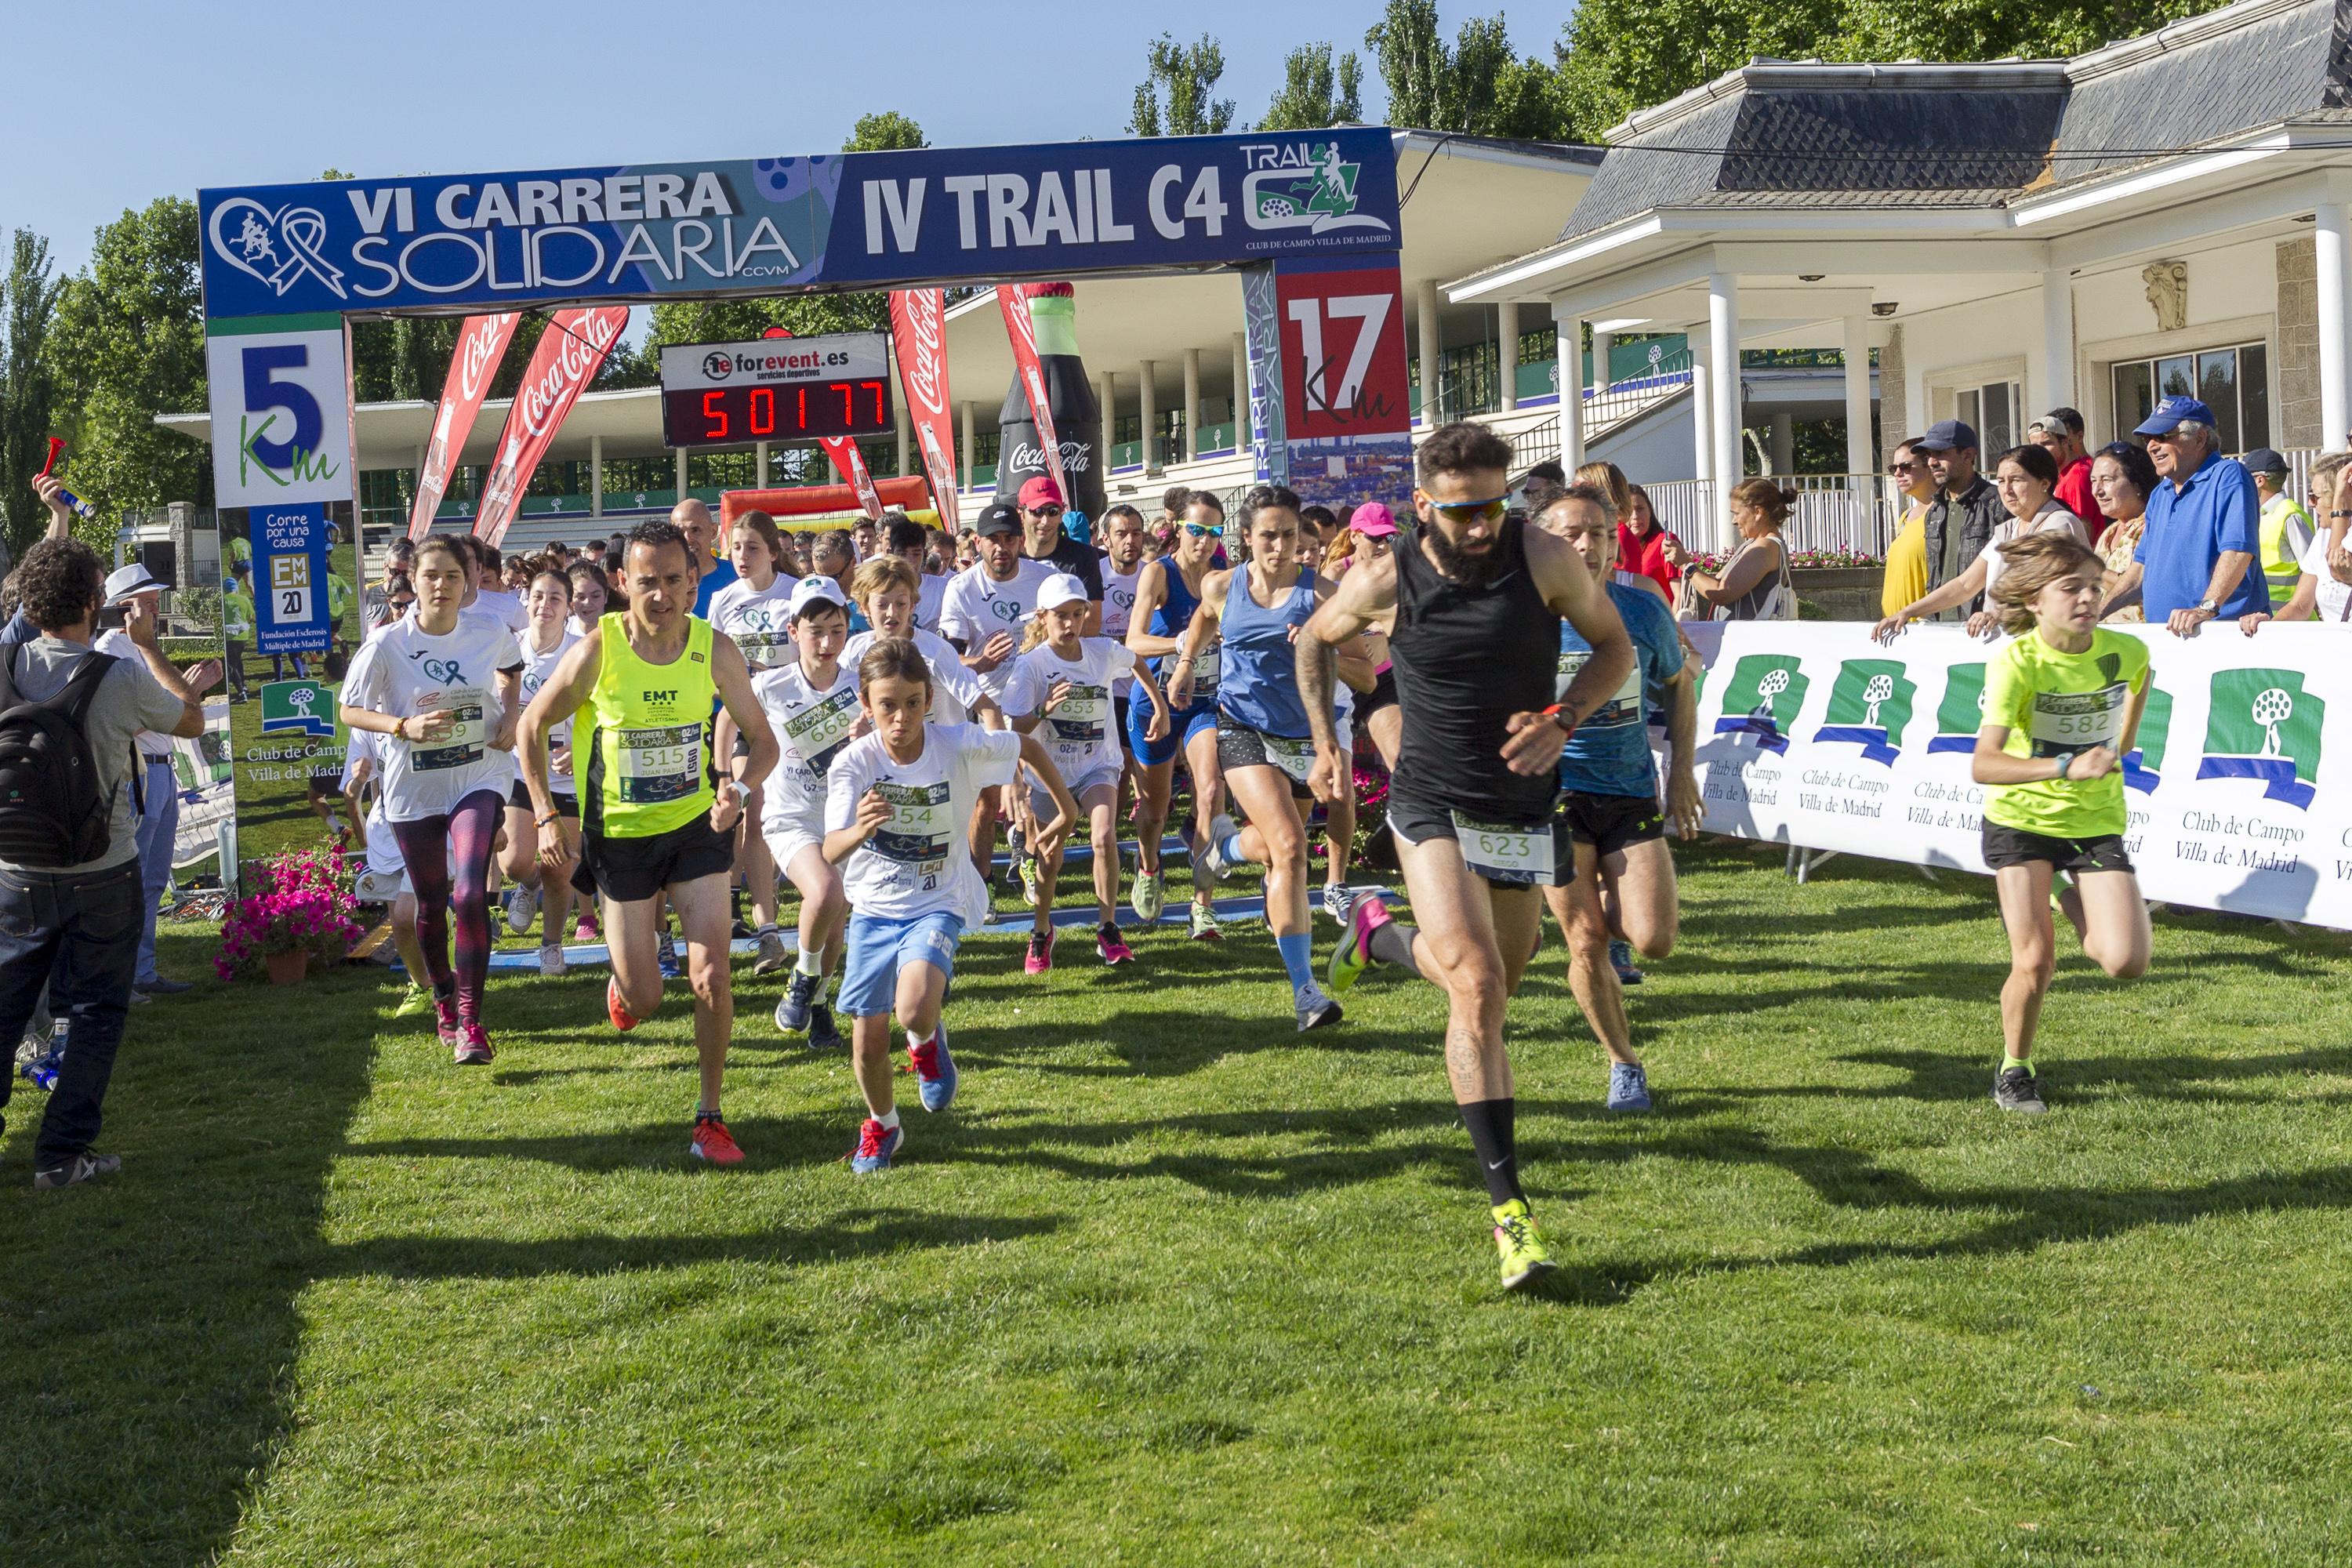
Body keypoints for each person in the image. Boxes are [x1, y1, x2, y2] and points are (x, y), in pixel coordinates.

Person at [1298, 420, 1635, 1291]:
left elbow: (1614, 647)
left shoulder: (1546, 558)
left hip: (1519, 801)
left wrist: (1563, 719)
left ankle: (1379, 936)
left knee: (1492, 982)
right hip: (1430, 799)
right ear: (1421, 505)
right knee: (1479, 983)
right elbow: (1312, 640)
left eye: (1492, 505)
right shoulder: (1384, 576)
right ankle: (1511, 1215)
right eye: (1460, 512)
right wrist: (1335, 733)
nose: (1480, 525)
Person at [520, 519, 779, 1166]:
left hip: (696, 831)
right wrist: (549, 817)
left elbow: (764, 741)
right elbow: (530, 726)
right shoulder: (596, 652)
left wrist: (736, 791)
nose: (660, 595)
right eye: (646, 582)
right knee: (646, 996)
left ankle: (710, 1116)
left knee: (713, 974)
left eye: (673, 580)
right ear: (620, 583)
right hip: (621, 841)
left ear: (694, 581)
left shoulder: (715, 650)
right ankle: (625, 988)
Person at [0, 538, 208, 1189]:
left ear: (30, 602)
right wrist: (146, 644)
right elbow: (193, 721)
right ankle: (61, 1156)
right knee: (94, 1013)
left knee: (5, 1010)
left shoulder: (4, 662)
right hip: (102, 871)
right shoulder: (115, 676)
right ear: (96, 604)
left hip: (15, 872)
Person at [825, 638, 1075, 1172]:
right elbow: (830, 848)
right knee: (867, 1045)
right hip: (872, 907)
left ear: (930, 699)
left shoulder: (957, 744)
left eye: (913, 703)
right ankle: (884, 1124)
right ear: (866, 706)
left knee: (912, 1006)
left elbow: (1025, 748)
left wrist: (1069, 807)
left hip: (939, 899)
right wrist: (860, 827)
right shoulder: (853, 763)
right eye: (888, 705)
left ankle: (924, 1036)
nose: (901, 717)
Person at [1513, 485, 1697, 1110]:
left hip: (1627, 789)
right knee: (1586, 940)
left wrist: (1679, 773)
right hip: (1552, 794)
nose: (1585, 545)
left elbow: (1679, 687)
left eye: (1597, 533)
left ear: (1615, 543)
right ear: (1542, 541)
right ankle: (1624, 1063)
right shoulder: (1524, 616)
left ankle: (1593, 903)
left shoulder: (1640, 612)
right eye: (1570, 533)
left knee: (1654, 940)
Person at [1174, 483, 1370, 1032]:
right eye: (1268, 536)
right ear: (1245, 538)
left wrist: (1320, 642)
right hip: (1243, 728)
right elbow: (1206, 618)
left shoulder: (1325, 595)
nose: (1279, 547)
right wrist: (1187, 663)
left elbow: (1363, 671)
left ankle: (1223, 849)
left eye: (1288, 536)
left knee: (1274, 848)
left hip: (1306, 736)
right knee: (1290, 848)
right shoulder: (1222, 584)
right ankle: (1305, 992)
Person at [1971, 532, 2153, 1114]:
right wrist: (2065, 765)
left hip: (2093, 821)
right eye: (2070, 588)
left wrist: (2107, 759)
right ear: (2035, 601)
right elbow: (1985, 764)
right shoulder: (2016, 664)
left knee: (2125, 961)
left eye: (2095, 587)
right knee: (2036, 961)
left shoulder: (2129, 654)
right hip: (2020, 822)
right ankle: (2015, 1069)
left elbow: (2126, 728)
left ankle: (2061, 895)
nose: (2087, 599)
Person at [337, 534, 524, 1065]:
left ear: (469, 585)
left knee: (469, 894)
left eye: (453, 577)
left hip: (478, 775)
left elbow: (511, 670)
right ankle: (442, 995)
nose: (442, 586)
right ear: (413, 582)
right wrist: (402, 725)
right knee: (431, 903)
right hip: (413, 789)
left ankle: (471, 1021)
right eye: (431, 576)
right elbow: (350, 710)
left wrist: (510, 713)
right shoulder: (385, 644)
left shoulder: (489, 628)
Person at [1004, 574, 1171, 968]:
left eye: (1078, 614)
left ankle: (1109, 929)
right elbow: (1016, 729)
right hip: (1050, 772)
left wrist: (1159, 705)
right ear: (1043, 617)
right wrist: (1045, 708)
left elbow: (1137, 662)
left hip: (1099, 764)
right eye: (1061, 615)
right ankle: (1042, 931)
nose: (1070, 624)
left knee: (1104, 836)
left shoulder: (1102, 651)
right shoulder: (1031, 666)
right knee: (1049, 855)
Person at [93, 564, 222, 999]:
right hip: (139, 770)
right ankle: (122, 976)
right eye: (147, 603)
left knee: (151, 878)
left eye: (154, 601)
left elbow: (174, 713)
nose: (156, 610)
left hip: (161, 768)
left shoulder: (141, 649)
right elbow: (141, 716)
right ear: (123, 609)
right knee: (130, 877)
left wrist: (192, 689)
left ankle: (141, 970)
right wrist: (184, 696)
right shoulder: (112, 649)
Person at [753, 575, 860, 1051]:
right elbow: (729, 724)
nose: (827, 642)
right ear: (793, 631)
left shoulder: (863, 685)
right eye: (815, 630)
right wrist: (731, 778)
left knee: (835, 916)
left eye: (836, 630)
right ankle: (802, 977)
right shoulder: (769, 686)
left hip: (845, 821)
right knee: (825, 890)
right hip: (790, 816)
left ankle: (818, 1006)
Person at [1123, 491, 1231, 939]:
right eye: (1197, 530)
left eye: (1214, 532)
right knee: (1155, 809)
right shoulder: (1157, 573)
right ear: (1178, 530)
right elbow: (1132, 642)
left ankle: (1201, 904)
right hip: (1155, 702)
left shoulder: (1223, 580)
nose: (1204, 541)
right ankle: (1149, 866)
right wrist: (1185, 643)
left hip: (1204, 701)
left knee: (1210, 792)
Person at [708, 510, 801, 972]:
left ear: (774, 550)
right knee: (754, 812)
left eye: (752, 547)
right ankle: (768, 933)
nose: (742, 557)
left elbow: (817, 658)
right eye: (736, 547)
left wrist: (774, 677)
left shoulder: (796, 594)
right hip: (750, 725)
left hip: (801, 723)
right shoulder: (724, 600)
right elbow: (714, 671)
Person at [938, 502, 1054, 875]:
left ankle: (1030, 862)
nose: (1001, 547)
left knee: (1038, 793)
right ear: (976, 544)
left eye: (1009, 539)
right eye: (993, 540)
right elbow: (948, 660)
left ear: (1021, 541)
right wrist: (983, 662)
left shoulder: (1044, 579)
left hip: (1039, 700)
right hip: (987, 704)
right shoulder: (961, 588)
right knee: (986, 802)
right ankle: (981, 879)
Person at [1876, 446, 2087, 641]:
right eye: (2002, 481)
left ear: (2044, 483)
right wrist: (1909, 611)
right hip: (2010, 645)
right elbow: (1965, 584)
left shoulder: (2059, 523)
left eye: (2016, 480)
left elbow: (2043, 586)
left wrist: (1997, 613)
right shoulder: (2009, 529)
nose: (2007, 489)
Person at [2100, 396, 2267, 633]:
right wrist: (2096, 613)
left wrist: (2205, 608)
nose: (2152, 446)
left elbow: (2238, 551)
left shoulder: (2228, 476)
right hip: (2168, 638)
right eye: (2148, 439)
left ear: (2200, 439)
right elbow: (2138, 573)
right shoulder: (2160, 494)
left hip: (2219, 635)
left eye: (2163, 437)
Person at [497, 566, 582, 975]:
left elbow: (603, 711)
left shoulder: (581, 650)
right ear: (525, 601)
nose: (544, 605)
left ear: (568, 608)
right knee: (513, 861)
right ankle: (526, 885)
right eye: (538, 596)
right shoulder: (507, 647)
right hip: (519, 770)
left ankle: (551, 946)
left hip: (567, 775)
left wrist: (579, 746)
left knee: (560, 868)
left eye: (555, 599)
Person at [339, 724, 433, 1015]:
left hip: (433, 819)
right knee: (402, 923)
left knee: (408, 914)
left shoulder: (425, 697)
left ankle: (442, 983)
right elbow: (350, 792)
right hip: (388, 833)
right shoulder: (367, 721)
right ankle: (421, 984)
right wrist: (357, 781)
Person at [2241, 451, 2352, 630]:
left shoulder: (2290, 515)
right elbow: (2300, 605)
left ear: (2341, 496)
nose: (2310, 503)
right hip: (2336, 651)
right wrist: (2269, 627)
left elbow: (2337, 566)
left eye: (2315, 496)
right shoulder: (2324, 535)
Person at [1667, 478, 1798, 620]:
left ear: (1758, 511)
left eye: (1736, 513)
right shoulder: (1754, 544)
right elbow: (1716, 582)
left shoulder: (1765, 548)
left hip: (1747, 640)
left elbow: (1721, 593)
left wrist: (1686, 564)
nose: (1734, 521)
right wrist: (1685, 562)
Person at [1914, 419, 2006, 618]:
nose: (1931, 461)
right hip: (1940, 630)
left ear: (1968, 455)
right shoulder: (1935, 511)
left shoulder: (1997, 504)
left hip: (1983, 630)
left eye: (1940, 453)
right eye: (1929, 455)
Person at [1016, 475, 1103, 624]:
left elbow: (1092, 621)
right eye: (1037, 511)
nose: (1045, 520)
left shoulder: (1083, 556)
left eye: (1053, 511)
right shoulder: (1010, 558)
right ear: (1021, 514)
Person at [2089, 442, 2159, 624]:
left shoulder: (2153, 528)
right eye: (2093, 481)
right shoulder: (2109, 533)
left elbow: (2145, 586)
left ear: (2137, 485)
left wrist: (2091, 570)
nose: (2097, 491)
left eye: (2107, 480)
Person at [2243, 447, 2315, 609]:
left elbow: (2312, 569)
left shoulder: (2290, 515)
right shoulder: (2258, 514)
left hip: (2290, 623)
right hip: (2264, 619)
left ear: (2260, 480)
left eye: (2244, 478)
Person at [1880, 439, 1935, 618]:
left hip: (1924, 627)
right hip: (1895, 627)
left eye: (1905, 467)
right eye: (1893, 468)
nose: (1897, 473)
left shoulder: (1942, 514)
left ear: (1929, 465)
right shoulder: (1905, 517)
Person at [2027, 408, 2100, 540]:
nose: (2039, 451)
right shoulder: (2062, 475)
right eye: (2035, 446)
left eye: (2046, 443)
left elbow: (2082, 529)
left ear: (2065, 442)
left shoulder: (2077, 475)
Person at [880, 514, 946, 633]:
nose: (909, 561)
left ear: (925, 553)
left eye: (916, 554)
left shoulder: (943, 587)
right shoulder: (878, 589)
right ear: (891, 552)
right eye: (902, 553)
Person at [1617, 481, 1682, 602]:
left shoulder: (1665, 542)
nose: (1635, 516)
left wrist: (1672, 621)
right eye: (1629, 510)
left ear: (1650, 512)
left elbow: (1679, 595)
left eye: (1640, 509)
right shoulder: (1617, 548)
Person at [675, 498, 737, 617]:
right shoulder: (663, 582)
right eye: (679, 531)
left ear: (713, 531)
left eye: (695, 530)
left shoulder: (737, 577)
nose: (687, 538)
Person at [222, 561, 255, 701]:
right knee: (238, 661)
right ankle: (244, 685)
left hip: (229, 636)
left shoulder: (223, 600)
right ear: (236, 588)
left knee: (230, 666)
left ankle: (241, 692)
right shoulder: (244, 599)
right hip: (243, 635)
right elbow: (252, 617)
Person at [567, 559, 610, 636]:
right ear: (571, 600)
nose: (588, 602)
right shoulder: (561, 630)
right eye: (581, 597)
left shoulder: (622, 632)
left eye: (595, 596)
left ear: (606, 596)